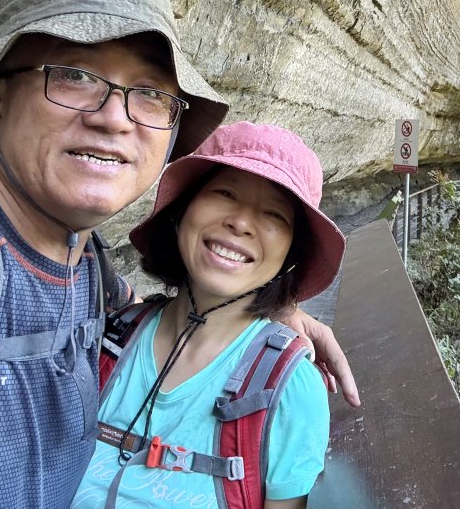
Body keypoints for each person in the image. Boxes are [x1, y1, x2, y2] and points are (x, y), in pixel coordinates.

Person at [0, 0, 358, 509]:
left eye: (150, 92)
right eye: (74, 75)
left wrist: (272, 305)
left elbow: (187, 309)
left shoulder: (92, 279)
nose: (115, 118)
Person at [73, 121, 345, 508]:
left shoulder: (289, 390)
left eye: (274, 215)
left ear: (290, 255)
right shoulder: (110, 335)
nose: (241, 223)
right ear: (181, 212)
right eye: (224, 193)